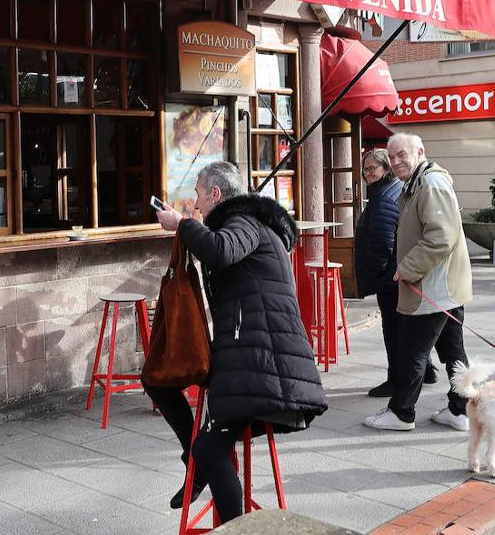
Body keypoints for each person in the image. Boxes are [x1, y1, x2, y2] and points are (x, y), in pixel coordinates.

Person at [151, 161, 327, 523]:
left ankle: (233, 523)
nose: (196, 205)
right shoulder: (248, 221)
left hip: (264, 365)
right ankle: (195, 460)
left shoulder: (244, 222)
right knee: (157, 379)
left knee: (211, 449)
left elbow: (220, 250)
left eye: (198, 195)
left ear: (216, 194)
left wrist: (182, 224)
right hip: (247, 354)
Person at [364, 133, 472, 433]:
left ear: (420, 151)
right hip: (441, 287)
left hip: (432, 288)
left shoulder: (430, 184)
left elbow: (441, 238)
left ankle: (401, 412)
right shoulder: (420, 181)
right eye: (392, 156)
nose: (396, 161)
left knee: (412, 351)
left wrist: (406, 269)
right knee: (452, 351)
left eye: (402, 155)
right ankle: (459, 409)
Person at [355, 149, 437, 398]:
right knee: (405, 328)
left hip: (390, 277)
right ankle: (427, 369)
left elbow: (382, 240)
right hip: (398, 272)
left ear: (386, 170)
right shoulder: (394, 190)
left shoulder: (383, 196)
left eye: (373, 168)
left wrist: (378, 273)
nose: (368, 173)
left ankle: (397, 380)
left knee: (393, 331)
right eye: (365, 169)